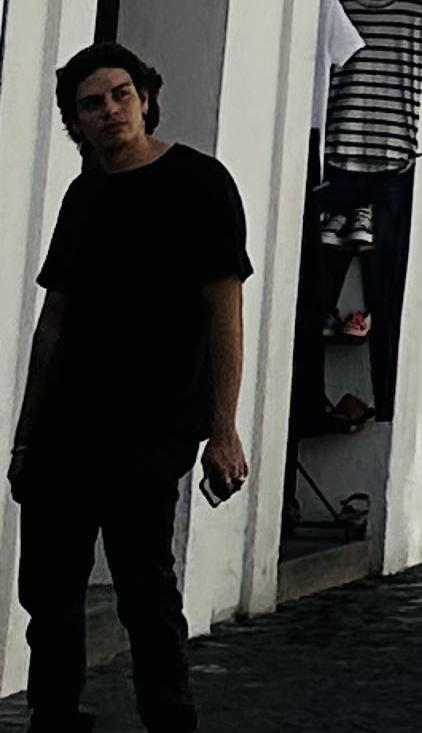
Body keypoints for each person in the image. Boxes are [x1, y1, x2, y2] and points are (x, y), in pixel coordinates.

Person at [8, 43, 251, 733]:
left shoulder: (200, 183)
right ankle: (54, 717)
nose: (110, 110)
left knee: (144, 584)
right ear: (75, 122)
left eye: (120, 94)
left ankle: (169, 720)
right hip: (66, 424)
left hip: (154, 422)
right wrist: (25, 435)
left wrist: (223, 427)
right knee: (48, 590)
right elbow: (53, 324)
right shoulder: (85, 194)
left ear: (146, 96)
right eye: (92, 103)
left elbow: (224, 311)